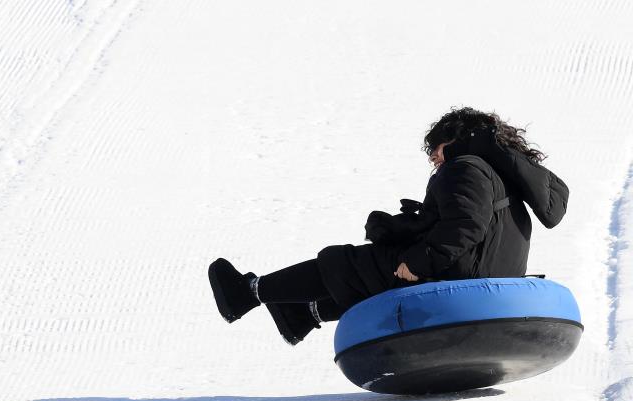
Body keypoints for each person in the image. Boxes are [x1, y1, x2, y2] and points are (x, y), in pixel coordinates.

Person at [208, 107, 570, 345]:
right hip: (490, 273)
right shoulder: (504, 178)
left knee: (345, 262)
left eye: (437, 148)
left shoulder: (467, 167)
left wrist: (419, 261)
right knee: (377, 272)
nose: (433, 157)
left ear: (457, 141)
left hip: (462, 271)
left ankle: (248, 293)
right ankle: (302, 313)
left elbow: (465, 225)